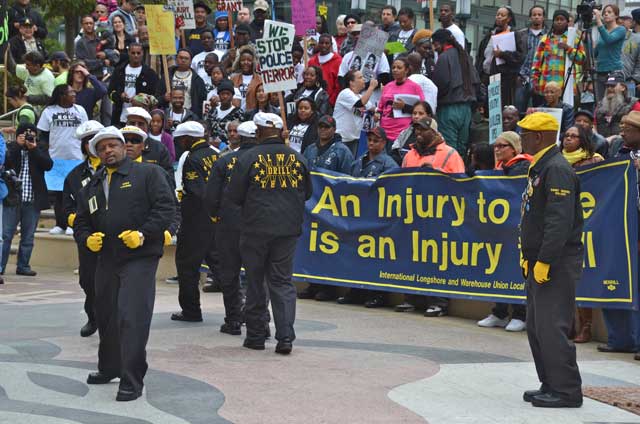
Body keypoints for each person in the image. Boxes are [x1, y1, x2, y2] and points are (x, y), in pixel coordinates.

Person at [74, 126, 174, 402]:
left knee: (132, 317)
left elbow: (166, 208)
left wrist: (144, 234)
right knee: (105, 315)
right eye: (102, 148)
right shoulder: (93, 185)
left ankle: (132, 380)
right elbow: (82, 220)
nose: (108, 151)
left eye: (112, 145)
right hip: (106, 259)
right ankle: (109, 368)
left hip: (139, 258)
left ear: (122, 147)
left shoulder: (149, 174)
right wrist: (85, 238)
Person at [227, 112, 312, 354]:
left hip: (255, 229)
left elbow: (234, 195)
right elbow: (307, 192)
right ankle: (285, 337)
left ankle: (255, 335)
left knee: (255, 281)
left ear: (261, 131)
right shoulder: (299, 158)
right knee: (282, 282)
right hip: (287, 230)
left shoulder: (249, 157)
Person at [518, 112, 584, 408]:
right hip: (538, 260)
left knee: (552, 325)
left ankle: (567, 390)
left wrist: (545, 259)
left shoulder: (557, 169)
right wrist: (527, 254)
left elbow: (559, 221)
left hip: (556, 262)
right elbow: (534, 215)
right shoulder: (540, 166)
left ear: (540, 137)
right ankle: (550, 382)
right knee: (536, 326)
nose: (521, 137)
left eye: (525, 133)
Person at [205, 121, 257, 334]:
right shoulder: (266, 161)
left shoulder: (225, 161)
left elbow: (210, 197)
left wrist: (216, 216)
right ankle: (259, 320)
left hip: (229, 225)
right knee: (257, 274)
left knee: (230, 273)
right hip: (258, 226)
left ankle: (233, 319)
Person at [477, 131, 531, 332]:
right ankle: (499, 313)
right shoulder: (501, 168)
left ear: (515, 148)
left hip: (516, 226)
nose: (497, 149)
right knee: (500, 269)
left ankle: (520, 314)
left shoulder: (523, 167)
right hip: (499, 226)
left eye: (502, 146)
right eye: (496, 146)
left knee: (515, 271)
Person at [169, 122, 219, 322]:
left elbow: (198, 192)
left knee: (187, 266)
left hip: (196, 221)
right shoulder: (216, 155)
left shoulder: (192, 159)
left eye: (180, 141)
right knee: (221, 266)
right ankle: (238, 310)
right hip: (217, 219)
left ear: (187, 139)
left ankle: (191, 310)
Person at [601, 111, 640, 361]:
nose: (622, 132)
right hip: (618, 228)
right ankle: (619, 338)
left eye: (628, 128)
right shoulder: (617, 155)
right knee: (613, 282)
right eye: (622, 127)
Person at [63, 120, 104, 338]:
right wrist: (78, 222)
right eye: (87, 141)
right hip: (87, 235)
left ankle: (110, 317)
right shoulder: (75, 175)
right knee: (87, 279)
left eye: (95, 139)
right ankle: (93, 316)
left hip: (113, 234)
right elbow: (66, 207)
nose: (92, 144)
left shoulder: (113, 169)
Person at [1, 124, 53, 276]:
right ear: (18, 135)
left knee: (28, 236)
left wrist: (34, 149)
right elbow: (6, 162)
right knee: (6, 234)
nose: (28, 137)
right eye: (24, 134)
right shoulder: (11, 147)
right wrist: (18, 145)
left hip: (32, 199)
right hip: (12, 199)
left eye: (31, 134)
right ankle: (0, 267)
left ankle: (23, 266)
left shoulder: (40, 148)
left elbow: (48, 165)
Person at [37, 85, 89, 235]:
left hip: (77, 158)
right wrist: (45, 155)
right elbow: (44, 136)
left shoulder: (80, 110)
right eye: (71, 92)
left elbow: (86, 133)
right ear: (62, 95)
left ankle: (73, 224)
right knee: (60, 195)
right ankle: (60, 224)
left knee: (76, 193)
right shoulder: (49, 111)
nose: (74, 94)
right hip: (56, 159)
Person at [431, 29, 479, 156]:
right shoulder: (465, 56)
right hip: (466, 110)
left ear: (440, 43)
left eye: (435, 45)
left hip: (449, 109)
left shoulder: (444, 57)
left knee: (449, 150)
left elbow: (440, 85)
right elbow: (477, 82)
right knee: (461, 150)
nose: (435, 49)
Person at [530, 10, 585, 103]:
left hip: (565, 87)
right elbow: (536, 62)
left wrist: (568, 48)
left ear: (567, 22)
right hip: (545, 87)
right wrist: (534, 80)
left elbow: (582, 59)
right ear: (553, 22)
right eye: (556, 19)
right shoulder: (545, 39)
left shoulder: (574, 38)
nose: (559, 21)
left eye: (562, 19)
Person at [476, 6, 526, 108]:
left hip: (503, 80)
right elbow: (481, 55)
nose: (499, 17)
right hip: (485, 76)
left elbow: (520, 57)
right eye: (497, 14)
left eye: (502, 15)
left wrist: (502, 54)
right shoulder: (490, 34)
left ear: (509, 19)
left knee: (498, 108)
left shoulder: (514, 34)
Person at [108, 43, 161, 127]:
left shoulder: (150, 74)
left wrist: (141, 99)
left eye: (138, 53)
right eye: (133, 53)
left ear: (142, 53)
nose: (136, 56)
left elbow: (156, 97)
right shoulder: (119, 71)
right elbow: (110, 92)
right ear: (128, 53)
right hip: (120, 117)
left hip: (141, 119)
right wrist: (120, 95)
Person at [375, 57, 424, 145]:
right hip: (384, 132)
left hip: (402, 134)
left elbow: (422, 111)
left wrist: (404, 107)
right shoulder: (388, 86)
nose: (395, 70)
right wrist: (377, 114)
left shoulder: (415, 87)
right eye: (393, 67)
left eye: (399, 68)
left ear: (406, 70)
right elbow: (380, 107)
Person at [333, 71, 378, 155]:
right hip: (341, 138)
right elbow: (360, 104)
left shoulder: (360, 96)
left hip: (353, 139)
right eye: (360, 77)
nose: (364, 79)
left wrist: (377, 112)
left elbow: (373, 109)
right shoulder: (345, 93)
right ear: (351, 82)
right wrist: (371, 87)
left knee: (349, 166)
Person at [125, 107, 174, 176]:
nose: (136, 127)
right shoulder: (119, 146)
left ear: (147, 126)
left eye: (140, 124)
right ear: (126, 124)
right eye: (132, 123)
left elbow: (169, 179)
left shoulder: (160, 149)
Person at [594, 5, 627, 101]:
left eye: (609, 12)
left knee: (614, 102)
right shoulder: (603, 29)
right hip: (600, 72)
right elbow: (595, 53)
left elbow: (609, 39)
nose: (605, 14)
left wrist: (599, 21)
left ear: (616, 15)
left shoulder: (621, 29)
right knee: (600, 102)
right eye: (604, 12)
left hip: (614, 71)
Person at [517, 5, 547, 111]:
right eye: (534, 15)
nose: (537, 17)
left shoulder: (548, 36)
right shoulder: (520, 34)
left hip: (539, 78)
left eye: (539, 15)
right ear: (530, 17)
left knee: (538, 111)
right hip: (522, 77)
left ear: (543, 18)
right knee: (519, 110)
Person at [162, 49, 206, 119]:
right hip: (170, 116)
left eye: (186, 58)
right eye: (181, 58)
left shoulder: (197, 80)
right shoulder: (167, 76)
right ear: (176, 59)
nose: (183, 60)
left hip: (189, 117)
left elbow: (201, 102)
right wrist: (164, 98)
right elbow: (157, 97)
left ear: (191, 61)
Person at [206, 80, 243, 148]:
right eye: (222, 94)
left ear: (232, 96)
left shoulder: (239, 113)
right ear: (218, 95)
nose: (225, 96)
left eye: (228, 94)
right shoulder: (212, 112)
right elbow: (208, 130)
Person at [308, 35, 342, 107]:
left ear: (331, 45)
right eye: (321, 43)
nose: (324, 45)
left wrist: (330, 101)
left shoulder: (338, 61)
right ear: (318, 44)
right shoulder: (311, 61)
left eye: (327, 43)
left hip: (330, 102)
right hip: (312, 102)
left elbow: (338, 84)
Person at [230, 46, 262, 111]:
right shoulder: (233, 79)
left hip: (252, 115)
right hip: (235, 116)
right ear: (239, 62)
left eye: (249, 60)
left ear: (253, 62)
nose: (246, 62)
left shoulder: (260, 79)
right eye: (243, 60)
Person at [623, 9, 640, 92]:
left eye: (632, 19)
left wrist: (635, 80)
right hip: (625, 80)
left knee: (632, 104)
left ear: (635, 21)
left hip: (633, 82)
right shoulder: (629, 36)